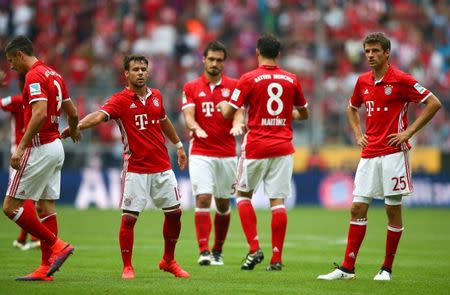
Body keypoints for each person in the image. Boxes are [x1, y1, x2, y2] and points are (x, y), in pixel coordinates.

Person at [317, 32, 442, 281]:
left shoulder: (401, 80)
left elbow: (434, 103)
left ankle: (386, 269)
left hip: (394, 153)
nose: (370, 56)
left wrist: (409, 131)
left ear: (387, 53)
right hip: (369, 153)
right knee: (356, 207)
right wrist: (357, 133)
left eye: (375, 51)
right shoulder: (362, 81)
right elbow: (351, 109)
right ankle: (347, 269)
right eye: (367, 51)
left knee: (392, 210)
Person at [62, 54, 190, 279]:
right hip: (136, 169)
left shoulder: (157, 96)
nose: (140, 73)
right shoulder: (120, 100)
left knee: (175, 213)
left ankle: (168, 260)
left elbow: (164, 121)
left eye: (143, 69)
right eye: (136, 69)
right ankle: (127, 266)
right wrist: (78, 125)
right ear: (126, 74)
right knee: (129, 218)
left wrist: (179, 145)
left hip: (162, 167)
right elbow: (100, 116)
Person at [220, 34, 309, 271]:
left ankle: (254, 248)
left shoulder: (248, 78)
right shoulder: (291, 79)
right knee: (277, 202)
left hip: (257, 145)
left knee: (242, 195)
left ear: (257, 52)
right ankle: (276, 258)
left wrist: (223, 106)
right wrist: (285, 115)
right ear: (278, 55)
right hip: (283, 147)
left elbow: (230, 112)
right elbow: (304, 113)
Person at [2, 35, 80, 281]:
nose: (10, 67)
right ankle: (46, 268)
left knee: (10, 207)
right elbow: (73, 112)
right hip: (56, 146)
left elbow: (39, 113)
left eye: (11, 61)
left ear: (20, 55)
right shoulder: (54, 75)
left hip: (39, 147)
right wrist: (74, 129)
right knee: (45, 206)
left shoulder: (34, 77)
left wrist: (21, 146)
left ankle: (57, 245)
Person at [181, 41, 244, 266]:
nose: (215, 63)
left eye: (219, 60)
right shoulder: (191, 87)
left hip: (227, 152)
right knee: (203, 197)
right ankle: (204, 251)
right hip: (200, 151)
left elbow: (239, 113)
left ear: (223, 63)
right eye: (211, 59)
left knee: (224, 203)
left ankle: (218, 249)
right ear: (204, 60)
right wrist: (195, 127)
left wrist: (238, 125)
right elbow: (188, 115)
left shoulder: (235, 85)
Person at [0, 74, 41, 251]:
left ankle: (36, 236)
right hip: (38, 149)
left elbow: (1, 104)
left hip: (19, 151)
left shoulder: (17, 101)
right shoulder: (41, 103)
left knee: (20, 197)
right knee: (27, 196)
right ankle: (23, 238)